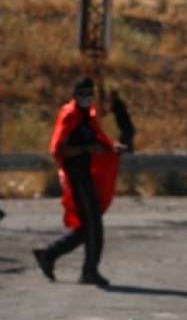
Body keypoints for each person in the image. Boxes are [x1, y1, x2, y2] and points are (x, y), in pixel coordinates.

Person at [33, 78, 124, 286]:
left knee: (88, 227)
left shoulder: (87, 116)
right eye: (82, 93)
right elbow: (59, 149)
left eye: (89, 93)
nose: (86, 97)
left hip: (86, 174)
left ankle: (49, 254)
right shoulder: (70, 115)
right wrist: (86, 149)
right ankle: (88, 271)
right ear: (74, 95)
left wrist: (110, 146)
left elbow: (97, 139)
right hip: (76, 176)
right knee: (93, 225)